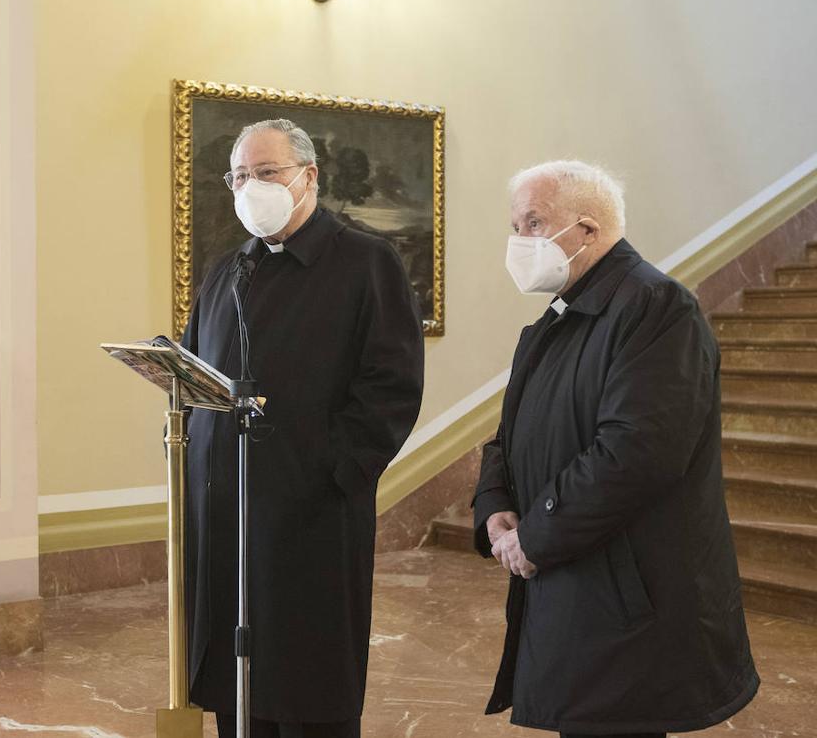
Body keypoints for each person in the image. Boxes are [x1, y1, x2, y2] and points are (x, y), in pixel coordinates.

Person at [472, 160, 759, 738]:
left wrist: (537, 534)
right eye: (516, 225)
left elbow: (637, 452)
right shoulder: (561, 314)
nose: (520, 241)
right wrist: (495, 502)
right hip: (577, 581)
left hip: (629, 598)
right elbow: (512, 429)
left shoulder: (657, 307)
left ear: (587, 229)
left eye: (533, 223)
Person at [180, 118, 425, 737]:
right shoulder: (227, 269)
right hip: (226, 511)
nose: (248, 187)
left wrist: (329, 472)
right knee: (236, 686)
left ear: (308, 177)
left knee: (307, 683)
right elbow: (196, 370)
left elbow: (391, 388)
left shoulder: (366, 261)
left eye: (265, 173)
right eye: (238, 177)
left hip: (313, 514)